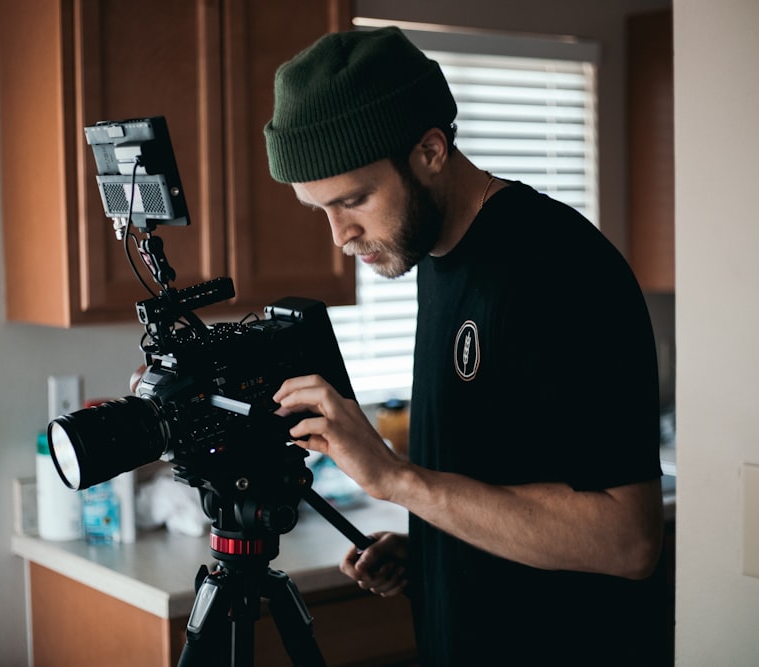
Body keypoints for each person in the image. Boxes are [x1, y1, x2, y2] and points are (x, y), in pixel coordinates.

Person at [265, 26, 666, 665]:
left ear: (430, 150)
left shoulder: (558, 268)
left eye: (356, 200)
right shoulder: (437, 257)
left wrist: (397, 479)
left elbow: (628, 541)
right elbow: (502, 477)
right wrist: (432, 546)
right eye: (322, 210)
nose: (340, 236)